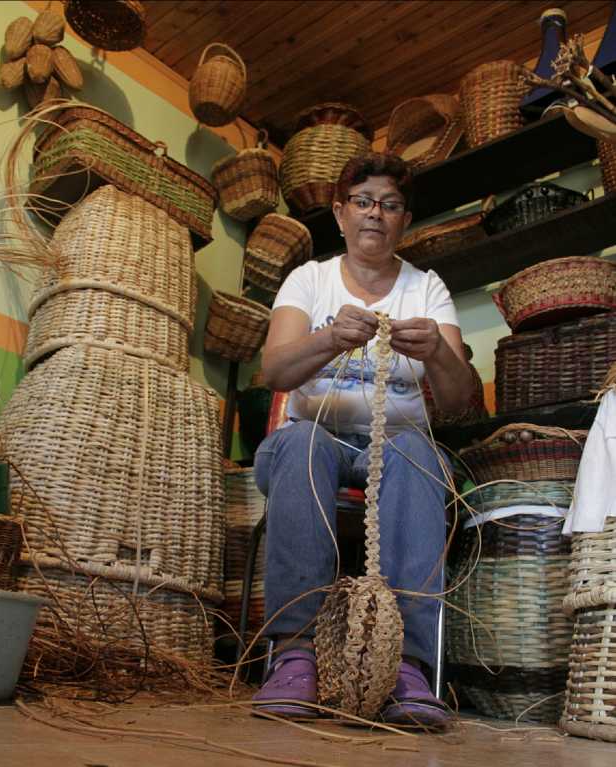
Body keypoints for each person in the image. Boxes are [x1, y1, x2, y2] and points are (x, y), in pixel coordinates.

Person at [251, 152, 475, 727]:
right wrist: (328, 339)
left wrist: (438, 352)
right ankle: (296, 653)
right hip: (314, 440)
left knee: (418, 453)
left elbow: (458, 401)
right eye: (363, 201)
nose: (376, 213)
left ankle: (407, 666)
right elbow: (274, 372)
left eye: (391, 204)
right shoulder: (310, 279)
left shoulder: (426, 288)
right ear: (340, 212)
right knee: (302, 443)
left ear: (405, 220)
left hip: (396, 448)